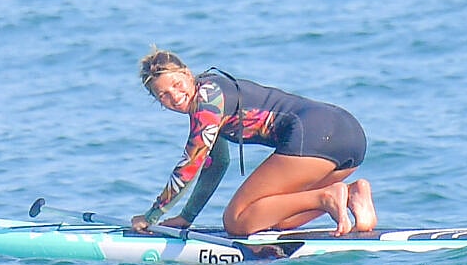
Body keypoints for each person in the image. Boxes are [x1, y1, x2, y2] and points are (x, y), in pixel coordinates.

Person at [130, 49, 377, 237]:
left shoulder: (208, 103)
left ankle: (328, 196)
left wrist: (151, 216)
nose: (174, 96)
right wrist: (187, 217)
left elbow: (189, 166)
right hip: (349, 134)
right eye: (163, 95)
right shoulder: (213, 99)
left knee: (237, 221)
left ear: (187, 74)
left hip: (315, 133)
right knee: (275, 217)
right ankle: (351, 195)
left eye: (177, 85)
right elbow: (217, 164)